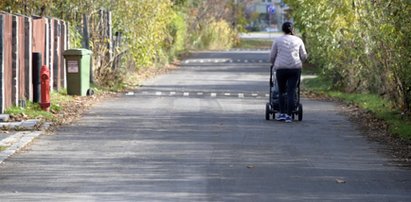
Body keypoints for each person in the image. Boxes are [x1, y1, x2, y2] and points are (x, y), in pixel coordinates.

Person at [270, 22, 307, 123]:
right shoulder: (298, 40)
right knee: (291, 92)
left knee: (281, 91)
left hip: (281, 69)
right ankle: (289, 115)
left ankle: (281, 113)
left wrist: (274, 64)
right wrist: (300, 61)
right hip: (295, 69)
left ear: (283, 30)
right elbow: (304, 56)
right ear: (292, 29)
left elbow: (272, 56)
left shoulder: (277, 40)